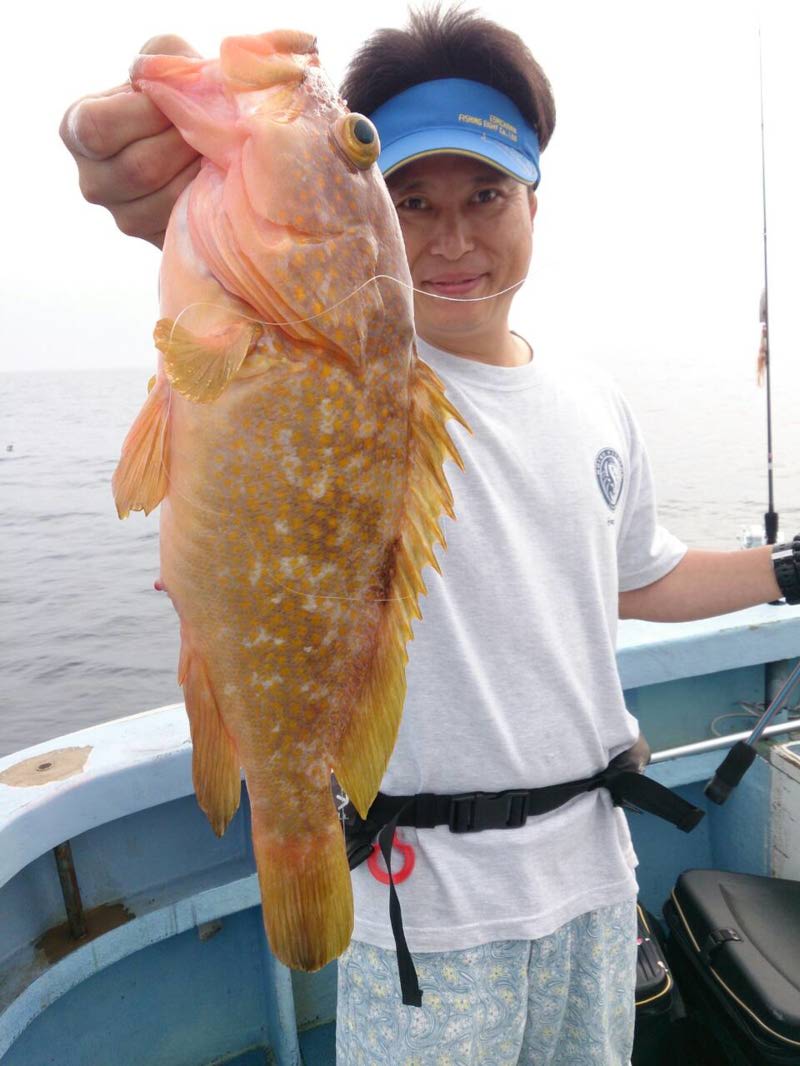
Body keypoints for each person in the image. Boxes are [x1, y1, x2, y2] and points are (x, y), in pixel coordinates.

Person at [61, 7, 794, 1064]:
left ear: (535, 199)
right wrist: (169, 177)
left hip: (596, 882)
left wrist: (782, 569)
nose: (450, 240)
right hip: (426, 909)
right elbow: (212, 242)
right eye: (408, 199)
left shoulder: (595, 401)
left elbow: (635, 576)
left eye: (485, 194)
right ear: (369, 214)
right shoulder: (326, 352)